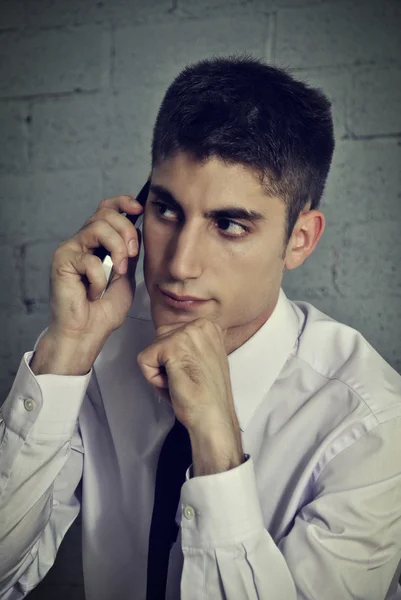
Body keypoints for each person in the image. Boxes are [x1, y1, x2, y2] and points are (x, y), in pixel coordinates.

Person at [0, 54, 401, 600]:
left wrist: (217, 449)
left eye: (229, 224)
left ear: (300, 240)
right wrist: (67, 350)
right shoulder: (102, 346)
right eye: (166, 210)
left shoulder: (371, 427)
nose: (180, 264)